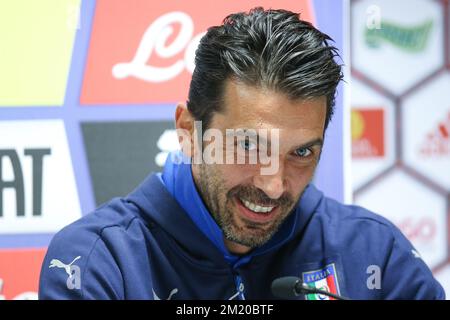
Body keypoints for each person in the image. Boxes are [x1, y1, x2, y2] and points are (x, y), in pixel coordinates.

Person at [39, 7, 444, 300]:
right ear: (188, 131)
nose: (273, 184)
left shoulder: (372, 253)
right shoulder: (97, 261)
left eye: (301, 152)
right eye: (249, 146)